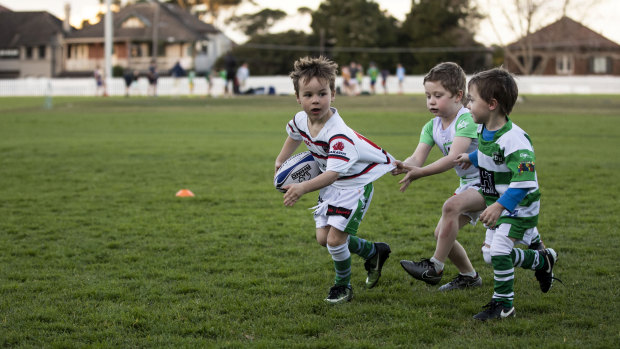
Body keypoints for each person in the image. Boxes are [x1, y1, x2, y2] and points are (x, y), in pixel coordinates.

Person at [275, 56, 394, 304]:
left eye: (322, 93)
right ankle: (374, 252)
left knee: (335, 240)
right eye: (308, 95)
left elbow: (332, 173)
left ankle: (343, 287)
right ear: (298, 98)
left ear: (333, 93)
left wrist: (301, 188)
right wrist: (280, 161)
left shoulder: (338, 134)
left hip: (353, 186)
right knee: (323, 240)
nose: (315, 100)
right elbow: (294, 135)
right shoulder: (300, 119)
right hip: (330, 188)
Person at [454, 67, 559, 320]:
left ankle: (503, 305)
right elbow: (491, 153)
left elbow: (524, 182)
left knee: (500, 252)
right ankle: (542, 260)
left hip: (519, 206)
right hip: (500, 203)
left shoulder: (516, 140)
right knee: (490, 257)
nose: (467, 105)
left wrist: (499, 206)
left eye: (471, 99)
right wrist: (471, 157)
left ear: (492, 104)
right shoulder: (485, 130)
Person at [393, 62, 484, 291]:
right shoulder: (431, 126)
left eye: (438, 95)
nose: (431, 101)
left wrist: (419, 173)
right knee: (441, 233)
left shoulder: (466, 119)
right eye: (427, 95)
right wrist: (402, 165)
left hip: (492, 182)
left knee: (450, 207)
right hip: (469, 184)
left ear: (458, 96)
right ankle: (469, 277)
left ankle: (435, 267)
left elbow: (454, 157)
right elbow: (417, 159)